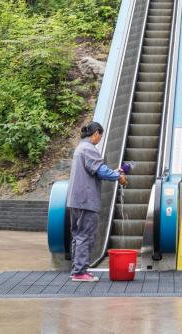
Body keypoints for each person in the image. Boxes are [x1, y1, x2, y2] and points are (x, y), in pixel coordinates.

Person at [66, 121, 126, 282]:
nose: (100, 139)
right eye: (100, 136)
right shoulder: (89, 149)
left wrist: (112, 172)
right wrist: (118, 176)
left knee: (78, 235)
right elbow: (99, 169)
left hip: (75, 199)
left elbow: (95, 171)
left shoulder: (80, 148)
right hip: (86, 200)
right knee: (85, 235)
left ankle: (77, 269)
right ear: (96, 134)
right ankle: (80, 272)